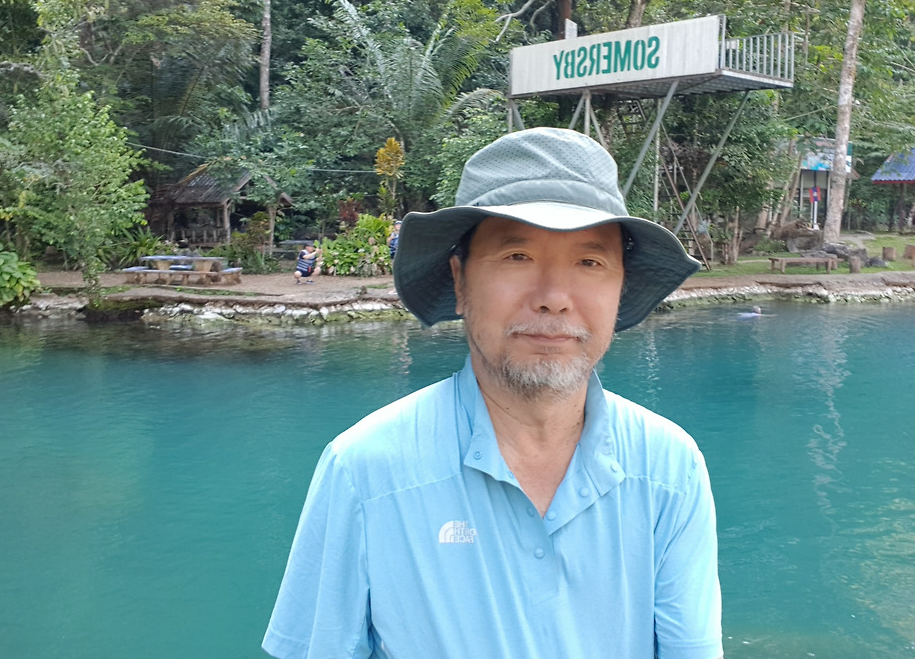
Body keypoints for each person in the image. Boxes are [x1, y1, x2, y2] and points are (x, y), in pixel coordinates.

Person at [262, 127, 720, 659]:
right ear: (460, 281)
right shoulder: (365, 469)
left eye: (589, 262)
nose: (553, 298)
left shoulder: (669, 466)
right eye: (517, 256)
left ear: (620, 289)